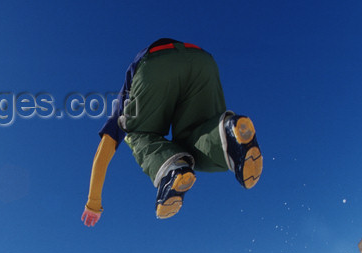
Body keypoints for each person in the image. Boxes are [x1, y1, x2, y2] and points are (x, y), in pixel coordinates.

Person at [81, 38, 262, 227]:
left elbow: (104, 151)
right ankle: (228, 132)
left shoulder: (124, 100)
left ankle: (172, 169)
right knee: (198, 137)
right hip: (203, 61)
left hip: (154, 64)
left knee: (136, 133)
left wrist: (93, 203)